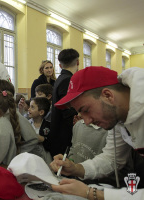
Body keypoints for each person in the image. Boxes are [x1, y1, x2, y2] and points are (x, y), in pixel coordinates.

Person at [50, 66, 144, 199]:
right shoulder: (117, 115)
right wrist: (76, 168)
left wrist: (91, 193)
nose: (86, 122)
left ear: (108, 96)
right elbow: (112, 158)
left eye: (86, 110)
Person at [47, 48, 79, 157]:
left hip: (58, 132)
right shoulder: (68, 80)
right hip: (63, 135)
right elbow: (67, 110)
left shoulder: (61, 78)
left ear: (60, 65)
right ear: (78, 62)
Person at [28, 97, 52, 164]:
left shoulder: (49, 126)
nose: (28, 109)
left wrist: (43, 139)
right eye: (29, 106)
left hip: (44, 158)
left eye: (32, 107)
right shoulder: (27, 124)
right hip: (30, 157)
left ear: (41, 112)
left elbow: (52, 143)